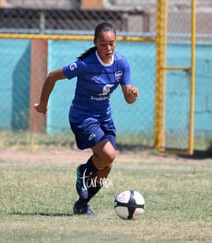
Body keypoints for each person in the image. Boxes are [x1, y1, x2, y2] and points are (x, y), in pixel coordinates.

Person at [34, 22, 139, 215]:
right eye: (103, 44)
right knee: (108, 155)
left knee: (106, 167)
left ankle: (82, 204)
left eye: (112, 44)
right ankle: (83, 171)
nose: (108, 48)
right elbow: (51, 76)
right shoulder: (85, 64)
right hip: (82, 117)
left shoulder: (121, 63)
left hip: (104, 118)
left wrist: (132, 93)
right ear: (95, 43)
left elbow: (128, 99)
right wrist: (42, 105)